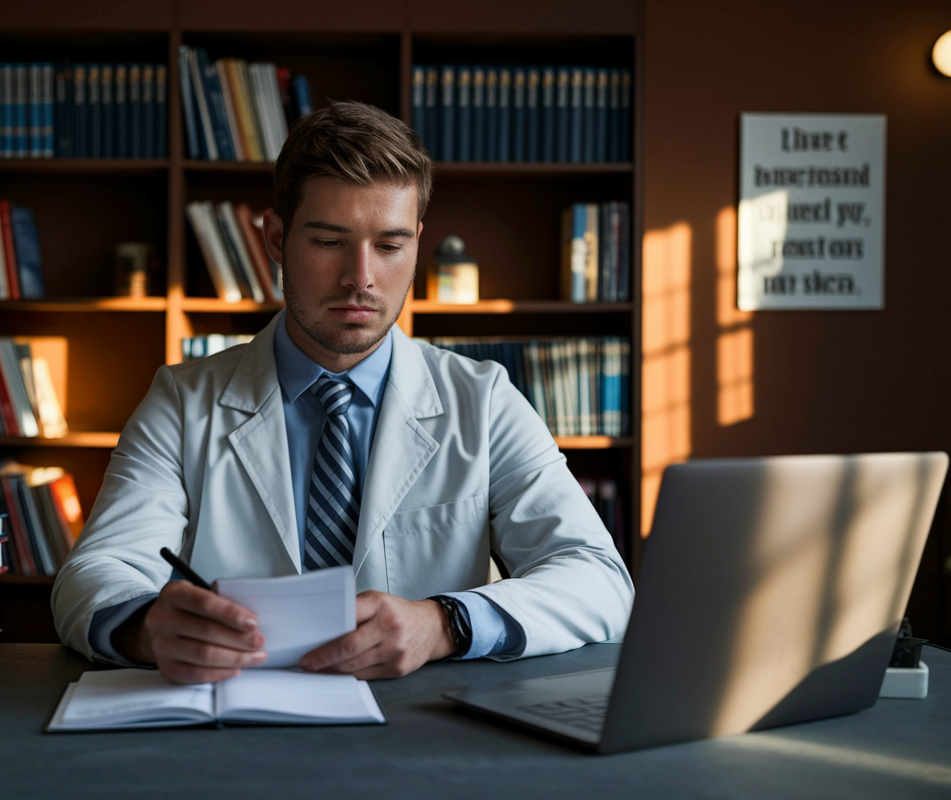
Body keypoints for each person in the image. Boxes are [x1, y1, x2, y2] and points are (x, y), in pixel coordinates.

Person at [52, 101, 633, 684]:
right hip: (234, 731)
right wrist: (144, 626)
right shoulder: (182, 401)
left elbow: (597, 576)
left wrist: (445, 623)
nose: (361, 278)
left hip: (423, 733)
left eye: (389, 245)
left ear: (416, 243)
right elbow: (100, 568)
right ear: (276, 239)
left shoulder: (483, 401)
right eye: (330, 242)